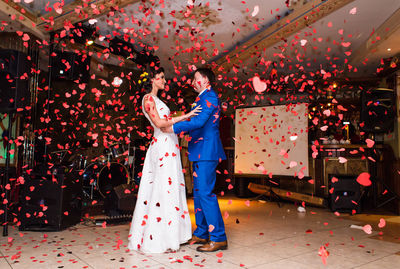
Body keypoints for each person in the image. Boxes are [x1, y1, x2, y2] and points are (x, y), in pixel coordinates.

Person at [128, 67, 201, 253]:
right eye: (160, 77)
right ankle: (160, 238)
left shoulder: (158, 99)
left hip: (169, 144)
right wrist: (185, 116)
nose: (163, 80)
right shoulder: (148, 99)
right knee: (163, 188)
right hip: (162, 146)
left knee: (170, 187)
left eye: (163, 77)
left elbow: (165, 125)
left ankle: (172, 235)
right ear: (151, 80)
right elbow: (159, 124)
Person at [162, 67, 228, 252]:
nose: (192, 82)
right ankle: (201, 232)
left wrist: (172, 127)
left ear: (206, 80)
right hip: (199, 151)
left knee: (206, 194)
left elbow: (198, 122)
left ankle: (218, 237)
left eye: (195, 78)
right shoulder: (201, 98)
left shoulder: (210, 97)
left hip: (207, 151)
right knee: (198, 194)